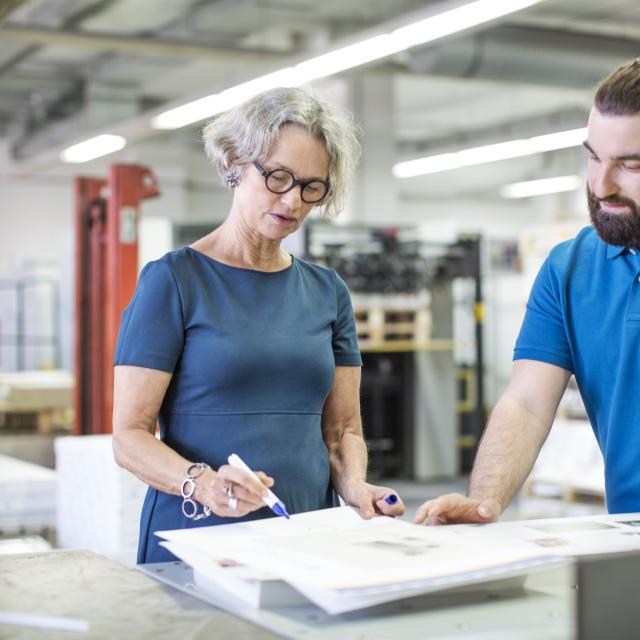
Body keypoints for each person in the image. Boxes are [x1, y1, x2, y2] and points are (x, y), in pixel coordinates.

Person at [112, 87, 404, 563]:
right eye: (278, 177)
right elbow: (129, 435)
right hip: (199, 534)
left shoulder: (328, 292)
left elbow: (343, 429)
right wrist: (203, 484)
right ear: (234, 163)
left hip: (306, 529)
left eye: (312, 187)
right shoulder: (173, 281)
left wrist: (355, 485)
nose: (292, 201)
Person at [415, 58, 640, 526]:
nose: (601, 185)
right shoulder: (570, 269)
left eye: (630, 165)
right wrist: (484, 500)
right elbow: (527, 403)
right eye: (594, 156)